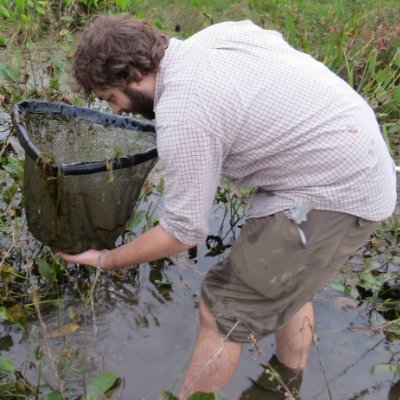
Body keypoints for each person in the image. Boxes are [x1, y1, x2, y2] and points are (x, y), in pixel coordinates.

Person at [59, 15, 397, 399]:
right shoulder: (219, 36)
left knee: (221, 311)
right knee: (287, 283)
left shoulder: (184, 110)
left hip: (336, 192)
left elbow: (183, 232)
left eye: (111, 98)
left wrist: (107, 260)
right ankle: (286, 381)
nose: (117, 111)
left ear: (134, 73)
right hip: (350, 162)